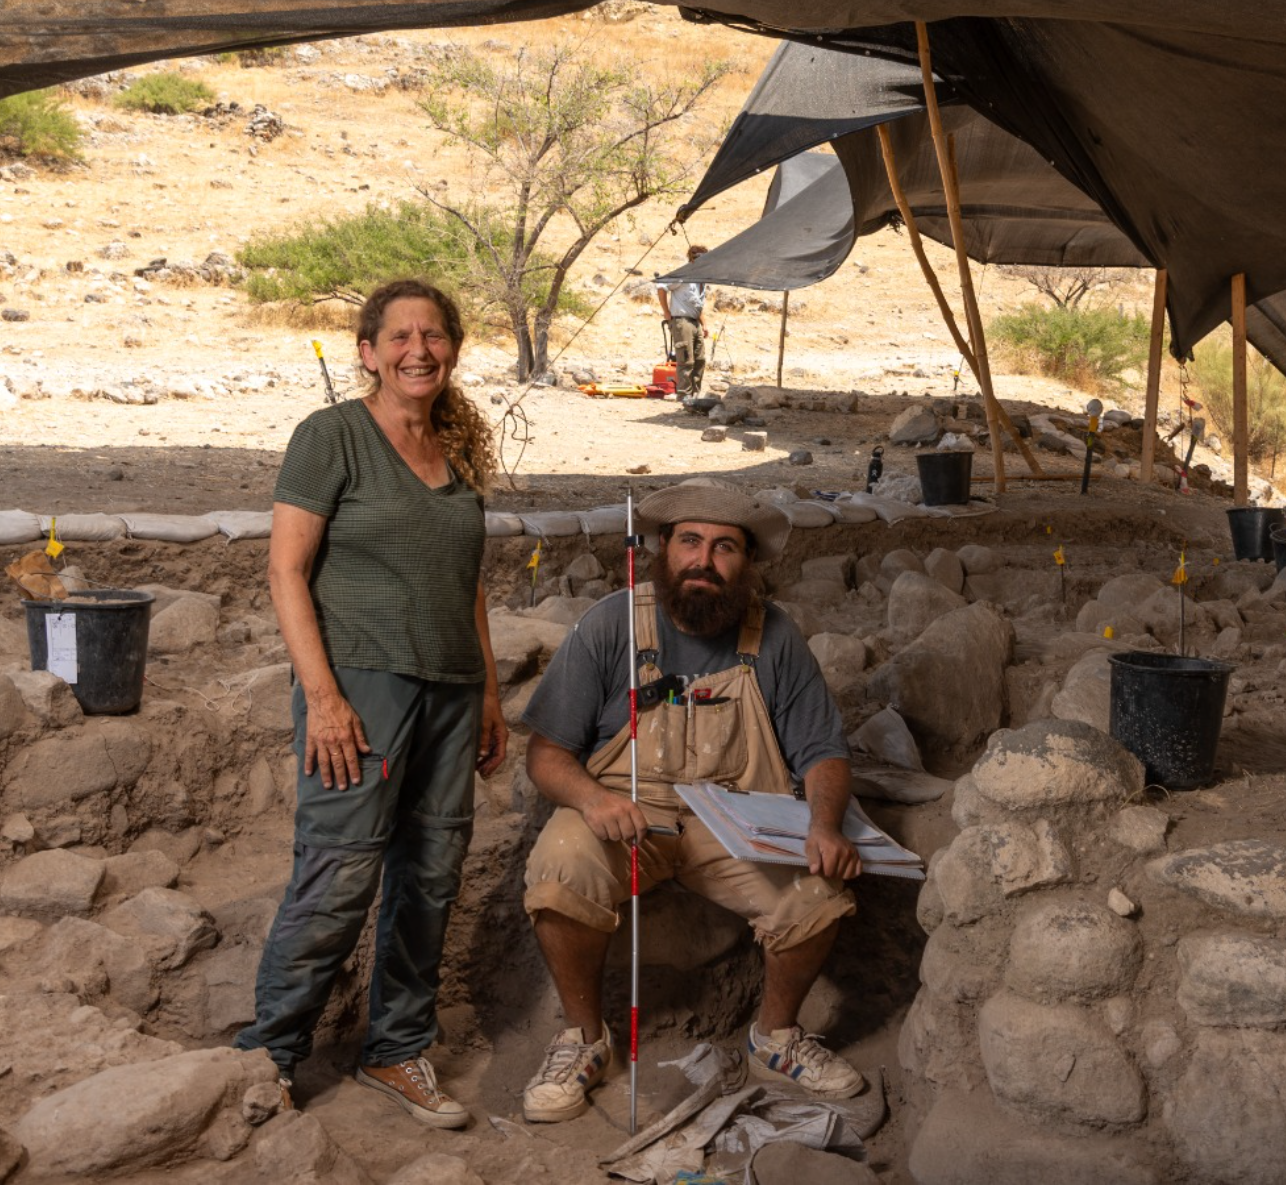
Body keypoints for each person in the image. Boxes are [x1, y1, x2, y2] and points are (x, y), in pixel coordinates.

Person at [235, 279, 508, 1130]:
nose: (417, 349)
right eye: (399, 336)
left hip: (453, 692)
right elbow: (285, 570)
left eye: (433, 335)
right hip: (362, 685)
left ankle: (396, 1049)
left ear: (453, 350)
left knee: (430, 876)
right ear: (367, 351)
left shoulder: (456, 451)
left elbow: (466, 586)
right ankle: (268, 1054)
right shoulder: (332, 436)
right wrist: (323, 697)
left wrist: (491, 692)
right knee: (340, 869)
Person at [517, 481, 863, 1124]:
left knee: (820, 891)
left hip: (734, 824)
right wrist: (592, 800)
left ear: (748, 562)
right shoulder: (610, 625)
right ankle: (584, 1041)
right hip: (626, 820)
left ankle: (776, 1039)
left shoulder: (776, 638)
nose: (704, 560)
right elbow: (546, 755)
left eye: (724, 546)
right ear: (662, 549)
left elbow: (823, 752)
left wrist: (824, 825)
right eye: (691, 542)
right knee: (560, 863)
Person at [656, 246, 712, 400]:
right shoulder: (684, 274)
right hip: (682, 320)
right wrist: (667, 312)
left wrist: (704, 324)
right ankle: (684, 395)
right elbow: (661, 287)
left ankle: (695, 393)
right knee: (686, 359)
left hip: (695, 322)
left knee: (700, 359)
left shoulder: (700, 280)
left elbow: (697, 304)